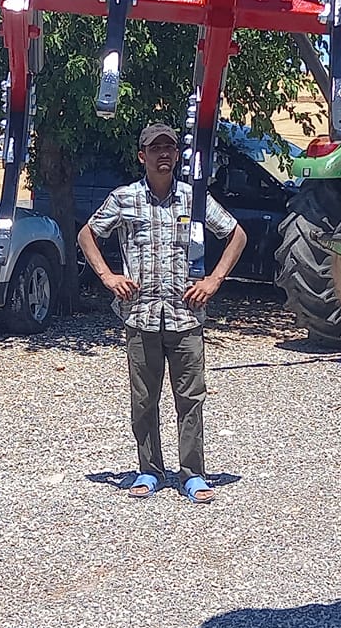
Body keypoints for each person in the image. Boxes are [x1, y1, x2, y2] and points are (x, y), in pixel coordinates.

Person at [77, 122, 247, 504]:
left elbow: (237, 235)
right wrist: (107, 276)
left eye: (169, 147)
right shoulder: (124, 199)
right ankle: (149, 470)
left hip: (187, 317)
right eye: (155, 148)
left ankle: (193, 474)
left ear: (177, 155)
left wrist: (214, 280)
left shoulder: (194, 199)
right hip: (140, 316)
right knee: (144, 400)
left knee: (191, 399)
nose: (163, 154)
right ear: (143, 156)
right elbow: (87, 234)